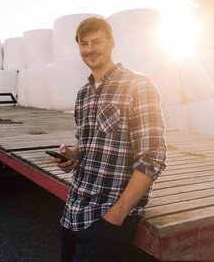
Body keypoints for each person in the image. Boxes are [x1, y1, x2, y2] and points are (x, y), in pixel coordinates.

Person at [52, 17, 167, 262]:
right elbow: (87, 144)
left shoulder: (138, 85)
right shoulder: (83, 93)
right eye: (84, 44)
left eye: (96, 41)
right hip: (74, 209)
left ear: (112, 42)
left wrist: (117, 214)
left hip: (107, 214)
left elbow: (153, 156)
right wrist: (72, 155)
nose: (90, 49)